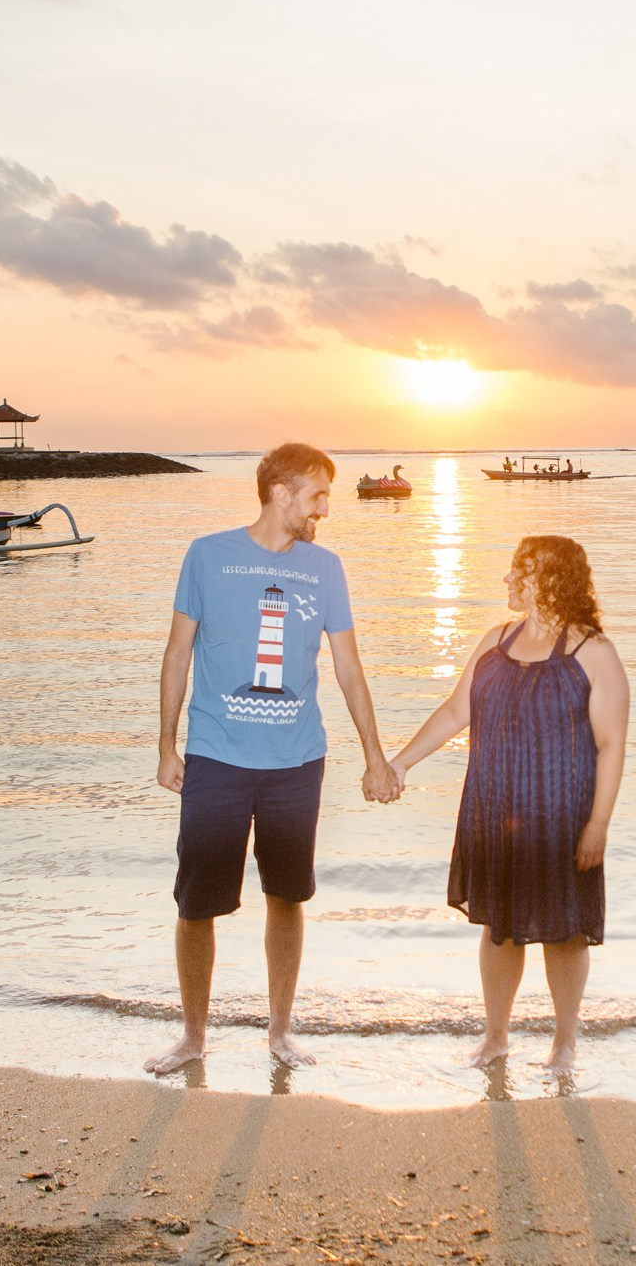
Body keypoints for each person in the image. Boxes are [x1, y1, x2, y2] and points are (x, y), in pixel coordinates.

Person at [149, 442, 398, 1075]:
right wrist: (165, 744)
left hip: (296, 761)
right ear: (280, 494)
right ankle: (193, 1038)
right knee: (197, 903)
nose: (324, 509)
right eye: (317, 496)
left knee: (288, 897)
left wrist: (375, 757)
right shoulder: (207, 555)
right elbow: (178, 654)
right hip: (216, 757)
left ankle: (280, 1033)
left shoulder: (325, 568)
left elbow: (347, 664)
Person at [388, 536, 628, 1074]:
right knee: (498, 928)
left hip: (560, 816)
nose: (506, 582)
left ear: (551, 579)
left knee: (564, 931)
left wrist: (599, 824)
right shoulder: (495, 640)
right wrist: (400, 763)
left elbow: (612, 743)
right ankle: (495, 1037)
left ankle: (564, 1044)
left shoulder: (593, 652)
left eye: (518, 572)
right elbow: (455, 712)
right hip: (493, 810)